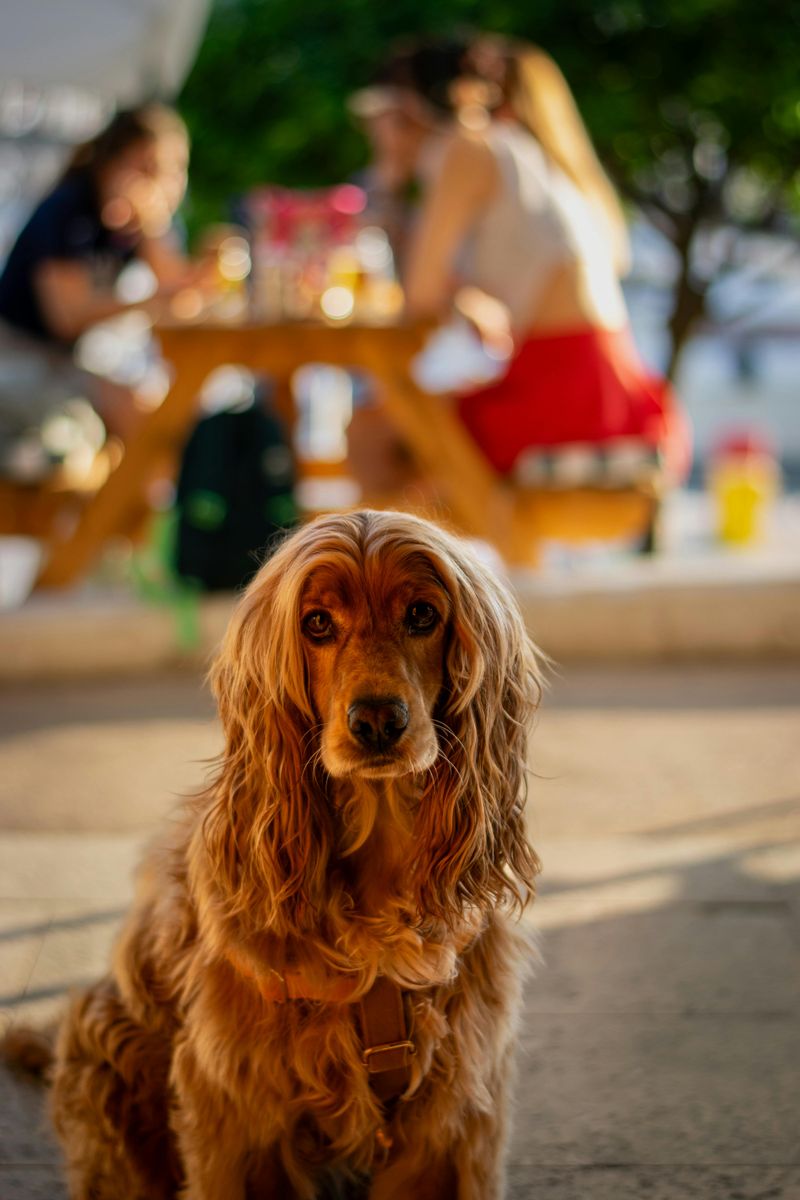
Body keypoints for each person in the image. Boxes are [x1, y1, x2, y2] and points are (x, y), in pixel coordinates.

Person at [348, 35, 690, 495]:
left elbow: (418, 299)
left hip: (566, 398)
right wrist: (461, 294)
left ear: (407, 112)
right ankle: (455, 560)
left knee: (373, 434)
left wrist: (387, 182)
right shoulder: (510, 152)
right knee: (398, 432)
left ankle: (416, 565)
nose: (372, 129)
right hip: (599, 390)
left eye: (378, 114)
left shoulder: (468, 150)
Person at [0, 104, 203, 476]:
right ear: (110, 164)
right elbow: (66, 318)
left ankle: (123, 528)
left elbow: (181, 302)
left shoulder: (132, 224)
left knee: (149, 413)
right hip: (17, 357)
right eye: (146, 169)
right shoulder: (69, 209)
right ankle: (110, 527)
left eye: (174, 171)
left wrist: (154, 226)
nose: (159, 184)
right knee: (123, 420)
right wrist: (152, 300)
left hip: (64, 362)